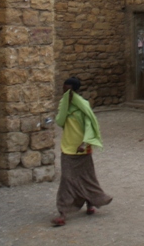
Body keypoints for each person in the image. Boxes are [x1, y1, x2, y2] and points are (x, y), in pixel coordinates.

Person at [52, 77, 113, 226]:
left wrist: (84, 142)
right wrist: (65, 108)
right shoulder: (64, 105)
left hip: (82, 148)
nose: (65, 92)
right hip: (68, 147)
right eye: (63, 89)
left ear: (74, 90)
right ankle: (63, 212)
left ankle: (91, 203)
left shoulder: (83, 105)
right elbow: (60, 122)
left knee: (86, 177)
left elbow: (90, 125)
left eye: (68, 90)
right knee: (67, 179)